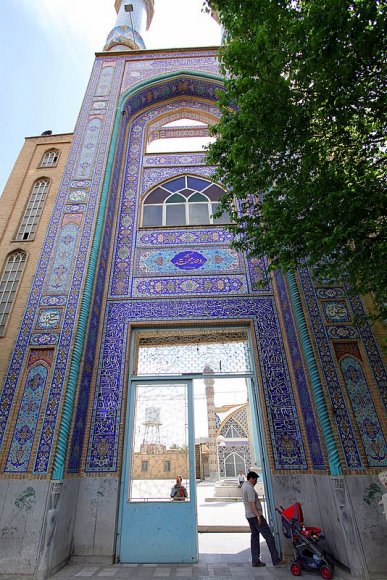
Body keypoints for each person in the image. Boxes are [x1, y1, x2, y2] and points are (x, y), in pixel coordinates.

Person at [241, 471, 280, 568]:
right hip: (255, 516)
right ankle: (275, 559)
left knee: (254, 537)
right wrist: (258, 516)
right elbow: (252, 503)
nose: (256, 482)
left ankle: (255, 560)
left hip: (249, 515)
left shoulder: (243, 486)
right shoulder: (249, 488)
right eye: (255, 479)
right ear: (251, 478)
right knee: (269, 536)